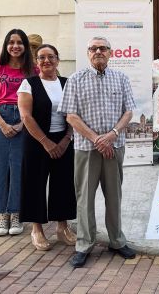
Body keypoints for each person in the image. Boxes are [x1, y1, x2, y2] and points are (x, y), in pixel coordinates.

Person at [59, 36, 137, 268]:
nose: (98, 52)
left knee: (114, 196)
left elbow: (129, 112)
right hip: (86, 149)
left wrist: (112, 135)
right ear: (88, 53)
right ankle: (84, 244)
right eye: (93, 48)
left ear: (110, 53)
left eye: (103, 48)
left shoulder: (121, 78)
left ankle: (116, 240)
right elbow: (70, 115)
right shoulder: (75, 80)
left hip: (115, 146)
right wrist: (96, 139)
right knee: (85, 198)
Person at [17, 44, 77, 251]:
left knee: (63, 183)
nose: (46, 61)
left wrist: (66, 138)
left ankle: (62, 228)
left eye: (51, 57)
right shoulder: (29, 84)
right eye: (41, 57)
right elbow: (26, 116)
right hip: (36, 141)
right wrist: (46, 142)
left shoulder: (67, 83)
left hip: (63, 140)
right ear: (36, 62)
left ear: (58, 60)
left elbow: (74, 113)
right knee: (35, 184)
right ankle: (37, 230)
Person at [0, 29, 35, 237]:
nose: (15, 46)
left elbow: (35, 102)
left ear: (25, 46)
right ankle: (3, 215)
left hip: (24, 119)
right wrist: (3, 124)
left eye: (19, 42)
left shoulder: (33, 71)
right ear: (6, 46)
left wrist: (23, 124)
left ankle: (16, 213)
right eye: (11, 42)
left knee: (19, 168)